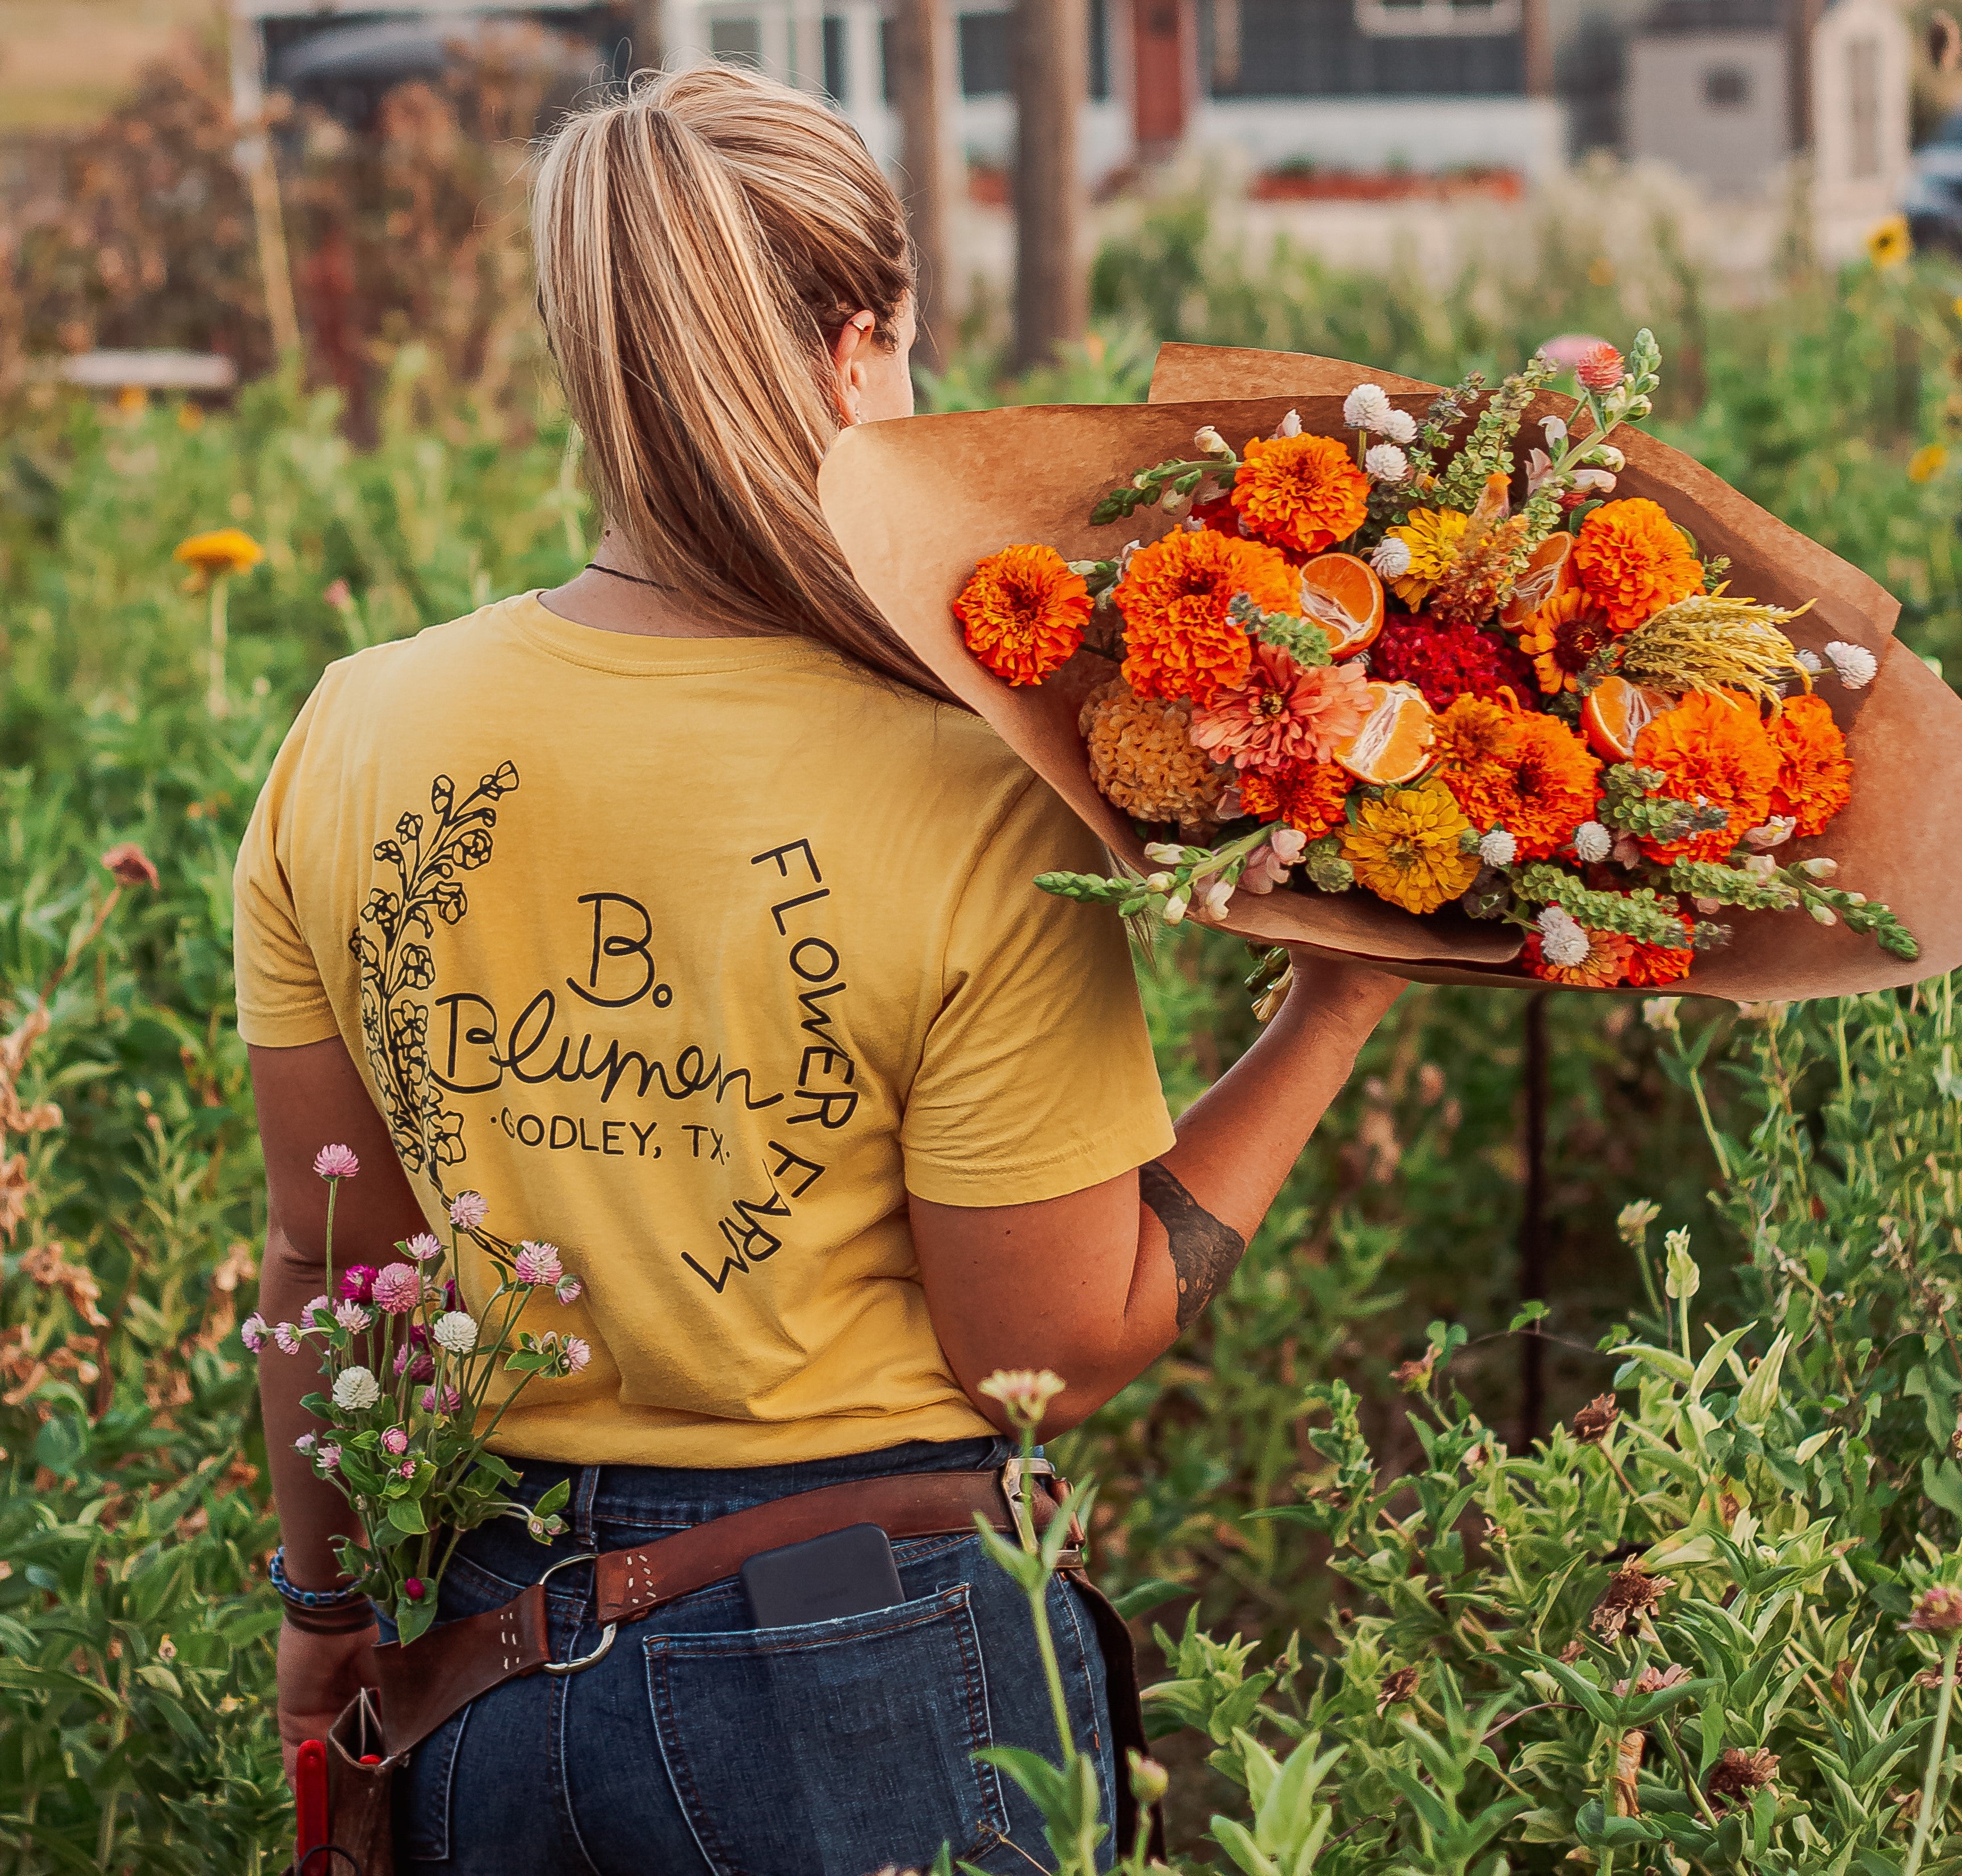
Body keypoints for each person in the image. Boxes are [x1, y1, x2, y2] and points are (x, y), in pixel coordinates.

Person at [236, 62, 1403, 1876]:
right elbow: (1053, 1351)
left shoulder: (357, 732)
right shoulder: (976, 778)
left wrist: (323, 1606)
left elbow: (331, 1263)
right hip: (861, 1672)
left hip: (482, 1668)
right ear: (861, 345)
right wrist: (1337, 1009)